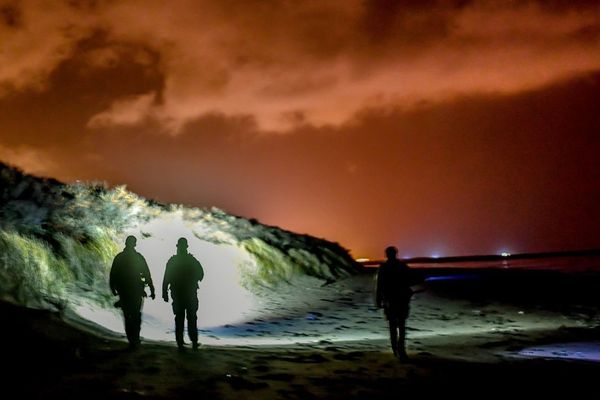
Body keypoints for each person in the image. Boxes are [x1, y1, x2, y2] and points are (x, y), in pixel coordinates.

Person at [109, 235, 155, 348]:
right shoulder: (138, 257)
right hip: (136, 290)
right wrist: (152, 289)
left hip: (124, 291)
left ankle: (131, 339)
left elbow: (113, 274)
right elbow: (147, 274)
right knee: (136, 314)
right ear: (134, 244)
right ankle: (135, 338)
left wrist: (112, 288)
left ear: (126, 243)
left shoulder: (120, 257)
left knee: (127, 315)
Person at [162, 237, 205, 351]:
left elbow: (166, 278)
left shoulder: (173, 260)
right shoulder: (191, 260)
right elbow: (201, 274)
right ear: (186, 247)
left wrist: (164, 293)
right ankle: (194, 342)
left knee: (180, 318)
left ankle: (181, 343)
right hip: (189, 293)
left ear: (178, 247)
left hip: (178, 294)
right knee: (191, 318)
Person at [376, 245, 415, 360]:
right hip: (400, 299)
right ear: (396, 254)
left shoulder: (384, 267)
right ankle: (400, 349)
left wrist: (379, 299)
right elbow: (409, 281)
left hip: (392, 300)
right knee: (401, 325)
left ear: (387, 254)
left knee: (393, 325)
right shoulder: (402, 266)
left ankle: (396, 349)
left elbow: (380, 285)